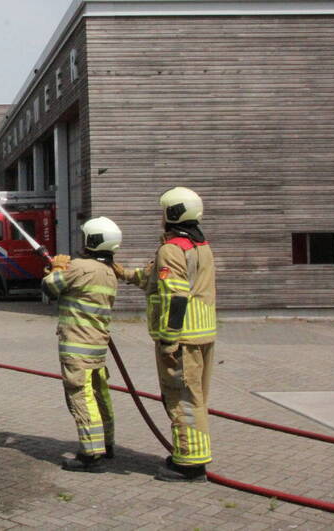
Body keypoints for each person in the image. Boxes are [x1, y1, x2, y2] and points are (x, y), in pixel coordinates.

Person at [114, 187, 216, 482]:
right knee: (195, 398)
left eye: (163, 212)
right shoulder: (198, 246)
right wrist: (121, 272)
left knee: (181, 398)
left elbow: (175, 296)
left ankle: (189, 465)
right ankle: (191, 455)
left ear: (172, 213)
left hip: (181, 339)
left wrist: (170, 338)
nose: (160, 217)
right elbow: (152, 278)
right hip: (201, 334)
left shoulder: (172, 249)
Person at [41, 217, 122, 473]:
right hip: (97, 346)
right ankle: (106, 444)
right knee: (100, 396)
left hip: (77, 346)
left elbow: (50, 287)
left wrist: (56, 267)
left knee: (81, 397)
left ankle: (91, 455)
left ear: (92, 240)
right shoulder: (109, 272)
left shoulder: (80, 267)